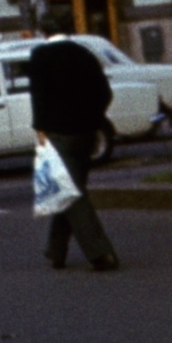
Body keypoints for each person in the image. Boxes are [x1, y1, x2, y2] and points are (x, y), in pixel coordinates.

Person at [28, 26, 120, 271]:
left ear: (44, 33)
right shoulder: (84, 53)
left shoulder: (40, 56)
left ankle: (100, 253)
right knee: (71, 185)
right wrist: (93, 119)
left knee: (70, 192)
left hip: (59, 135)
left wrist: (40, 127)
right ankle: (55, 250)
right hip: (87, 133)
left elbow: (38, 95)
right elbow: (104, 92)